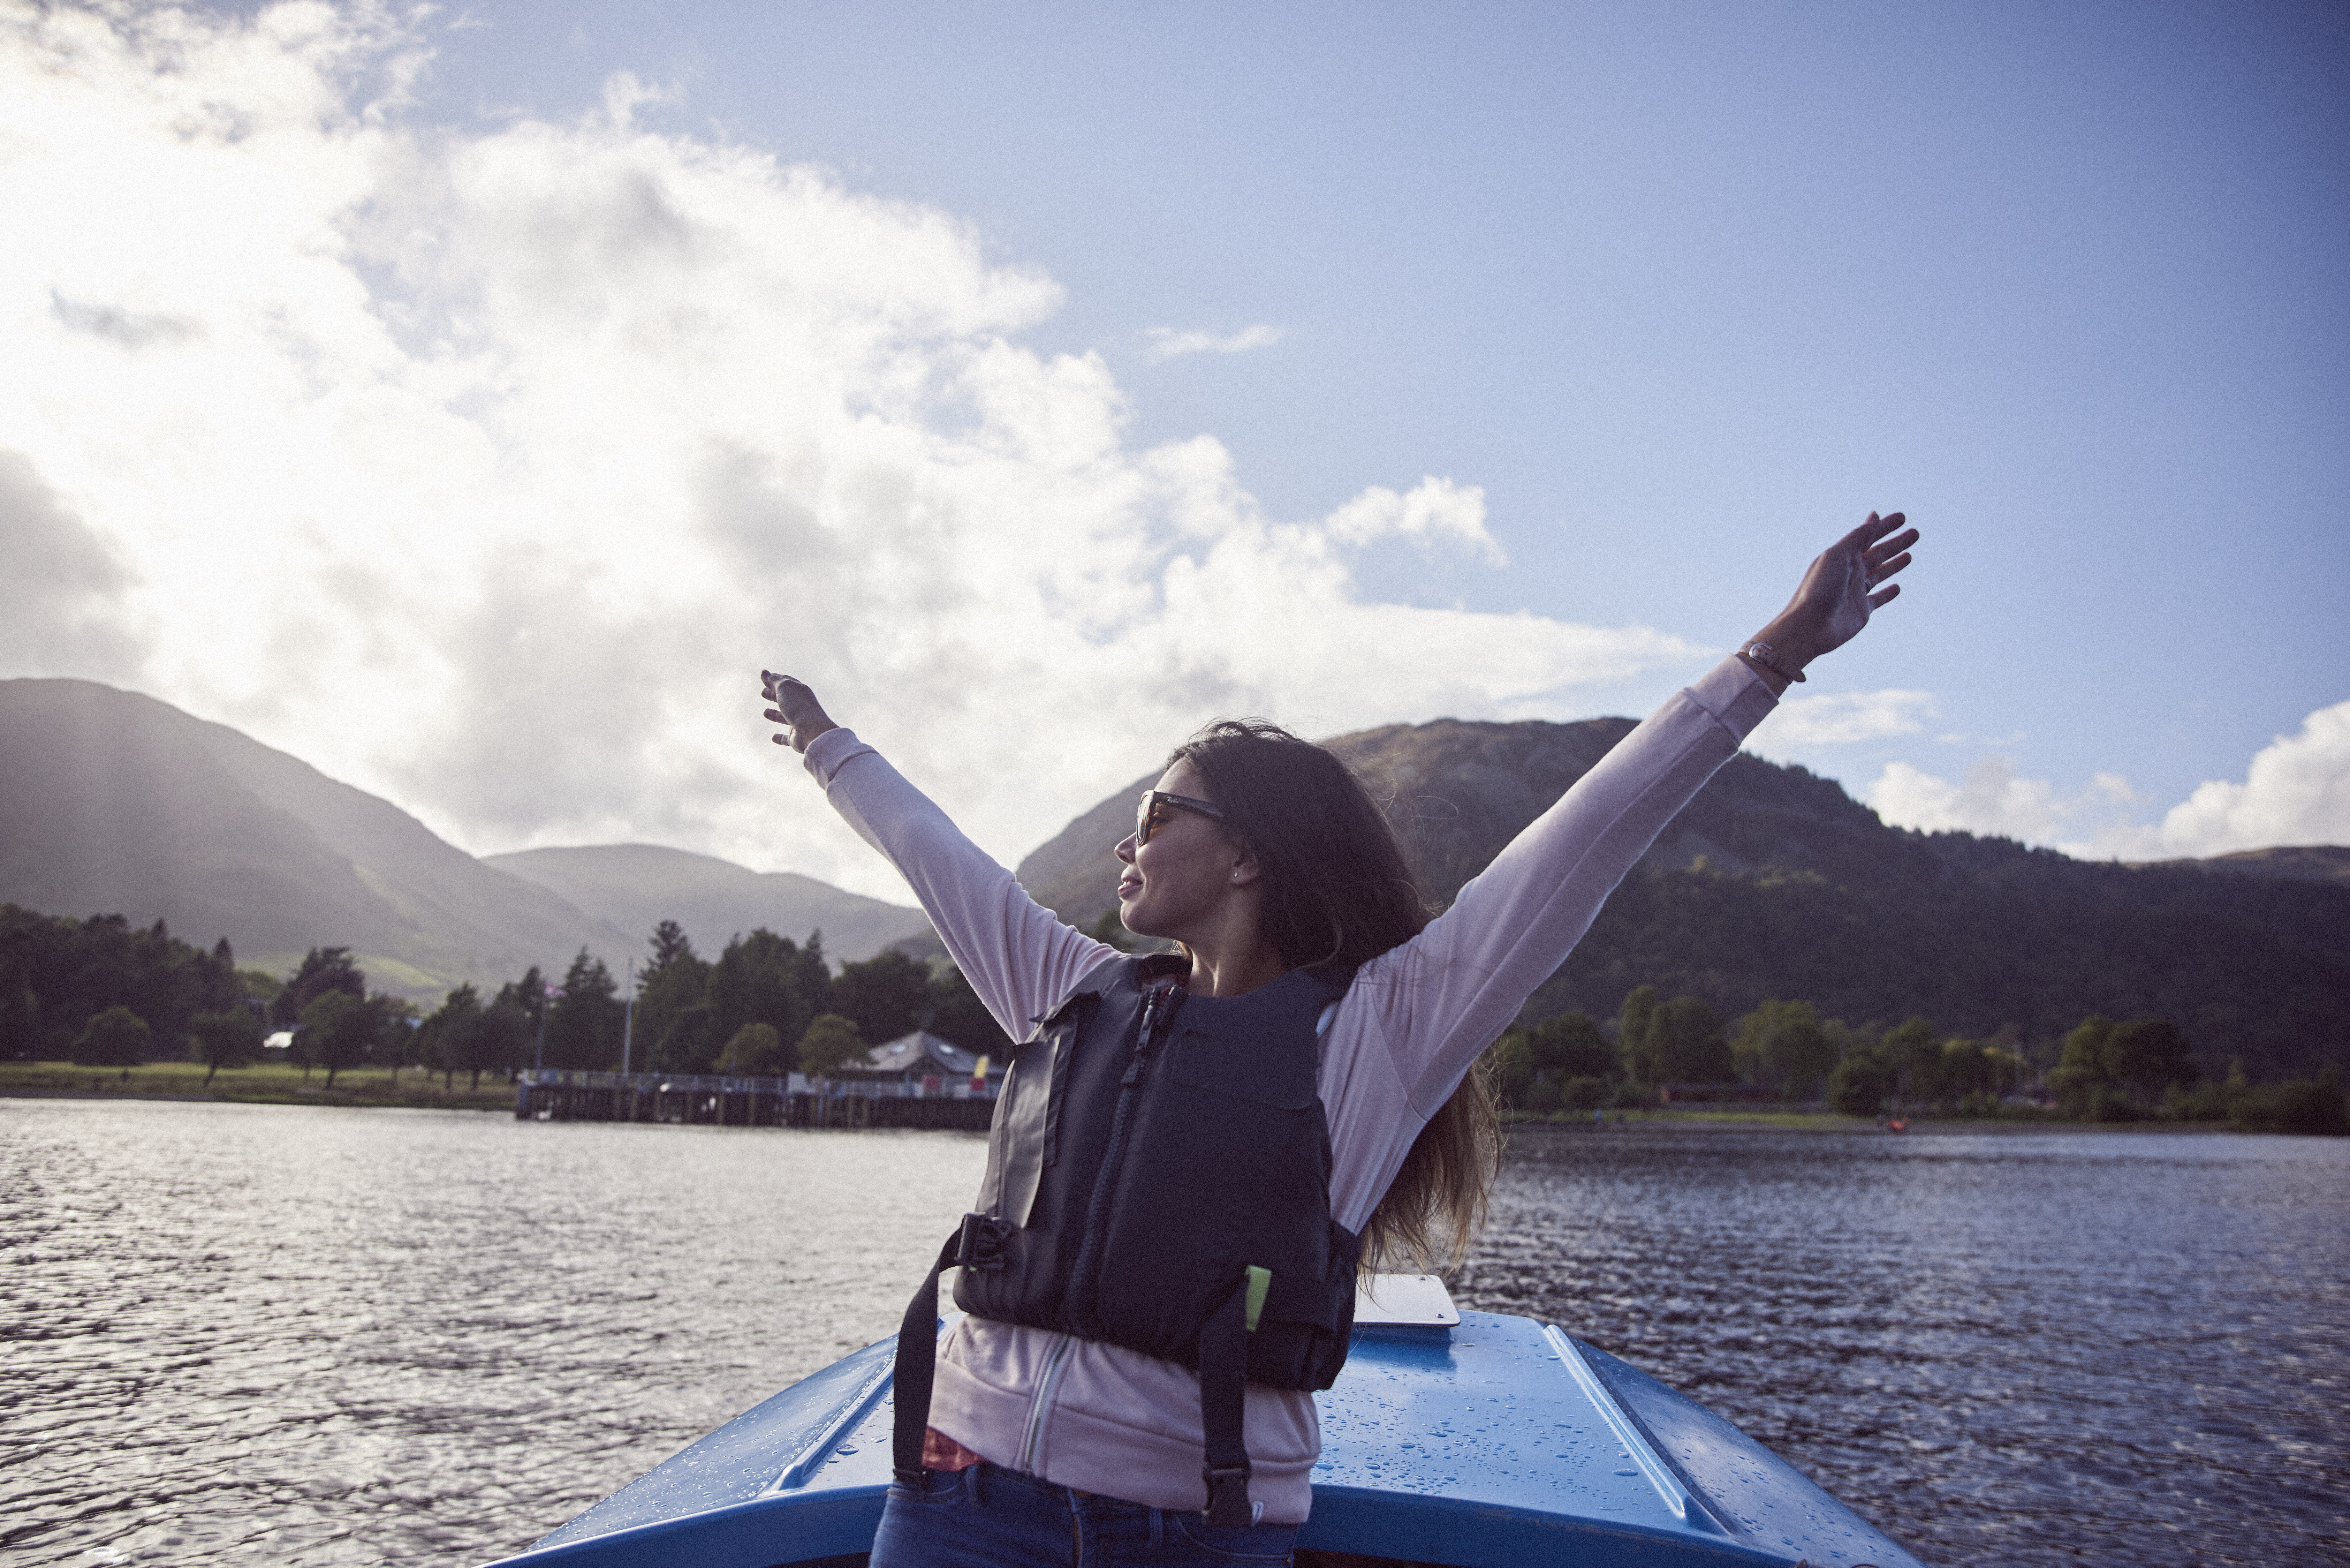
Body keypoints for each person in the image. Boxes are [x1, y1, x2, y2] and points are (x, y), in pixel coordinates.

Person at [760, 512, 1918, 1567]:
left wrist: (1776, 654)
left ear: (1249, 855)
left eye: (1160, 815)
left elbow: (1580, 845)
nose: (1129, 842)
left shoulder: (1378, 1039)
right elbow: (932, 851)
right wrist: (824, 743)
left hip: (1185, 1534)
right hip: (960, 1501)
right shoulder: (1067, 991)